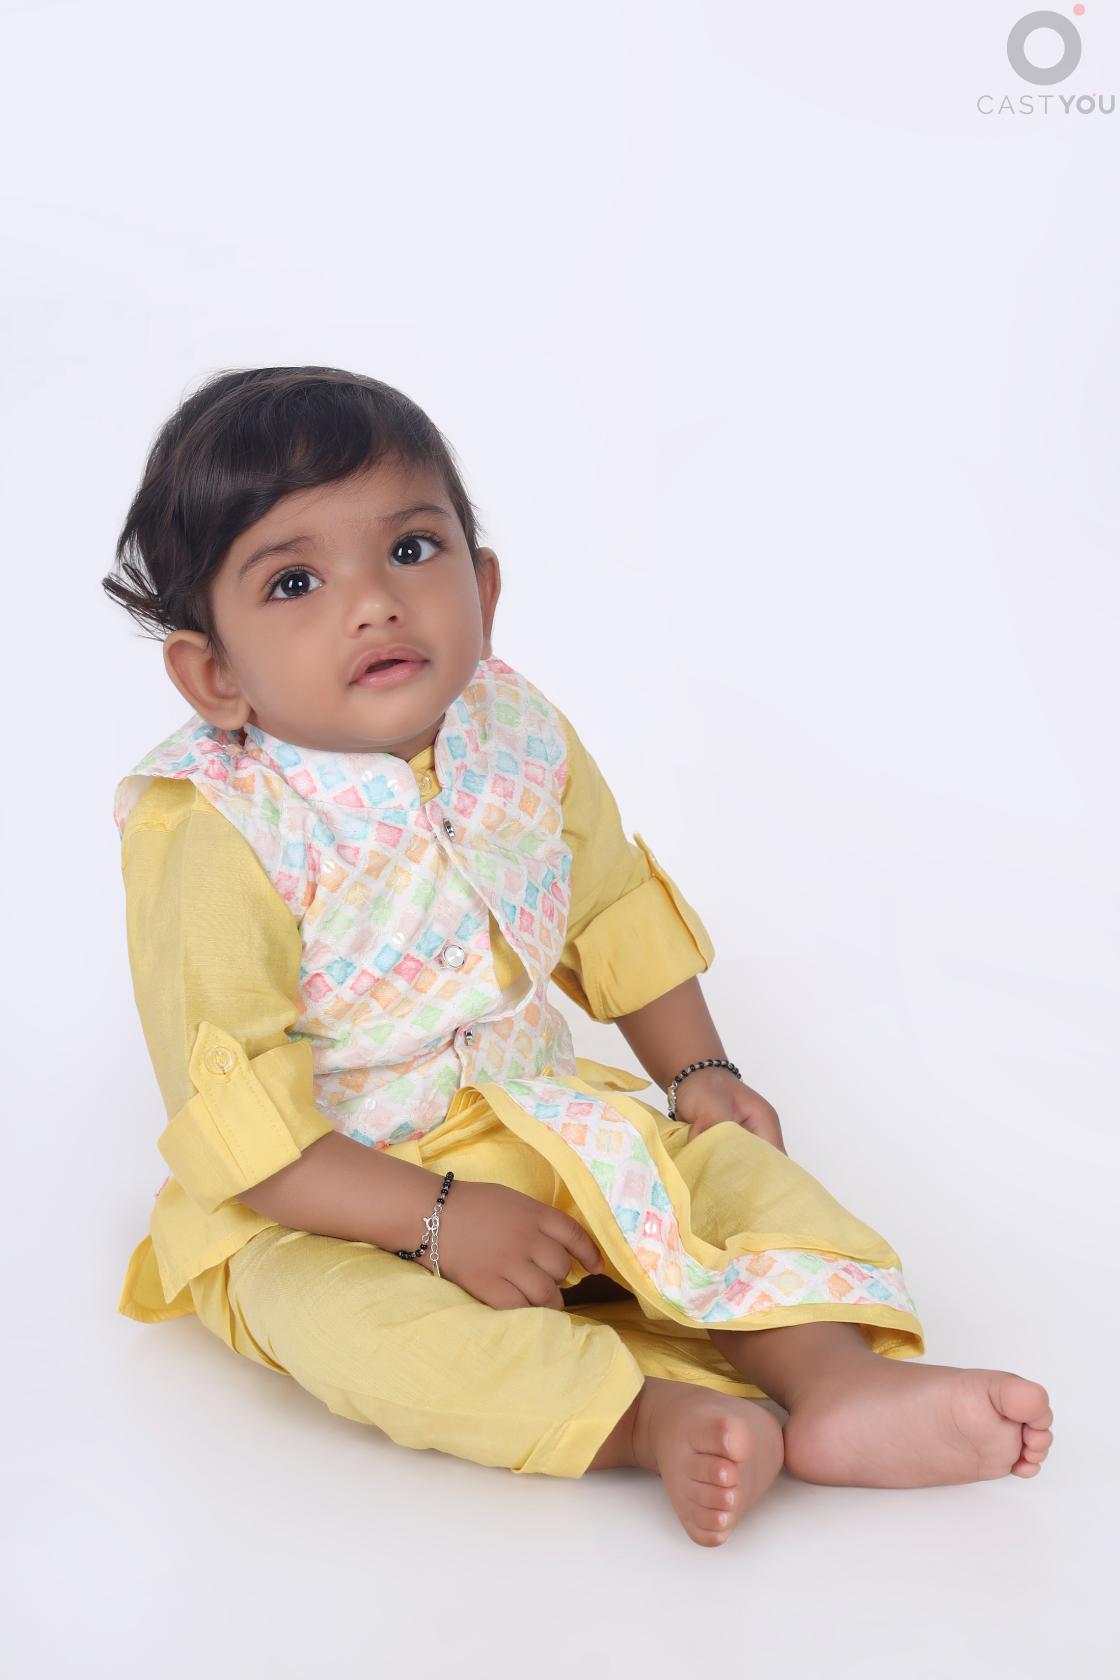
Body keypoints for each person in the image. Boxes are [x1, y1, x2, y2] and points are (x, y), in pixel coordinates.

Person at [102, 365, 1053, 1548]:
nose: (374, 604)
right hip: (328, 1197)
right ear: (215, 675)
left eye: (410, 550)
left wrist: (698, 1074)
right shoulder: (212, 828)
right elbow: (243, 1126)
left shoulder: (515, 729)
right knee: (342, 1324)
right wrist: (437, 1219)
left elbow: (606, 909)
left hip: (544, 1121)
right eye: (295, 582)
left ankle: (832, 1381)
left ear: (484, 587)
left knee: (727, 1178)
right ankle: (645, 1419)